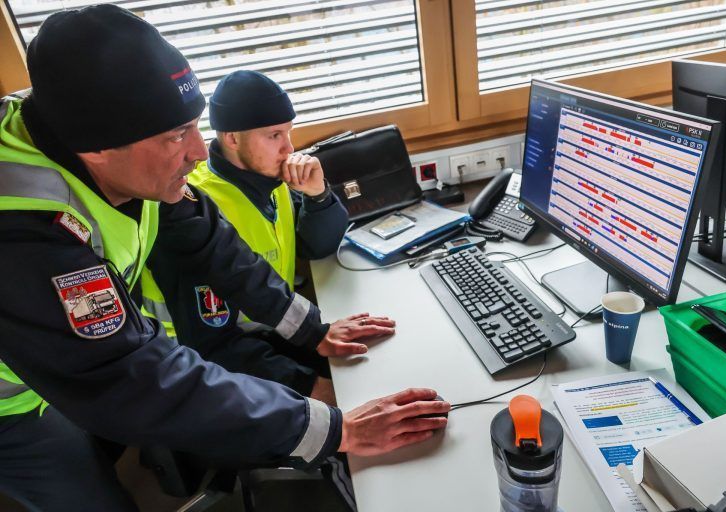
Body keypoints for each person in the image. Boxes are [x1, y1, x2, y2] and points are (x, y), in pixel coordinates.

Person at [0, 5, 450, 511]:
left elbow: (214, 246)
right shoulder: (27, 238)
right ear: (97, 147)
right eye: (176, 136)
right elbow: (133, 379)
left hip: (87, 366)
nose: (197, 151)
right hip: (11, 406)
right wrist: (334, 430)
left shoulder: (87, 130)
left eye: (194, 126)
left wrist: (313, 330)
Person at [142, 70, 360, 407]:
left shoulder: (269, 179)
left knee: (372, 360)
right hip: (200, 363)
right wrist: (313, 389)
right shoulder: (190, 206)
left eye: (289, 132)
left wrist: (318, 196)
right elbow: (214, 344)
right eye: (274, 135)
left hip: (271, 331)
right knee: (350, 392)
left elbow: (316, 247)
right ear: (231, 138)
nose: (289, 148)